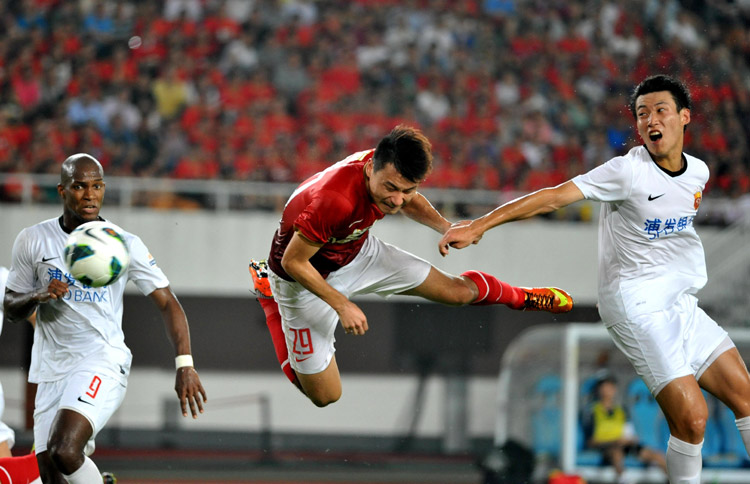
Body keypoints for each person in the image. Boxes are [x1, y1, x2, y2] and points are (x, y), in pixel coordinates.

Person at [438, 75, 750, 484]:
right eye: (642, 114)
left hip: (680, 304)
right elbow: (552, 195)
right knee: (693, 418)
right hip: (635, 306)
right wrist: (480, 225)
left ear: (684, 117)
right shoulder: (626, 172)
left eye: (660, 110)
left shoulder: (699, 173)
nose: (650, 120)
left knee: (744, 394)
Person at [250, 124, 573, 408]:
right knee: (325, 396)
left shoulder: (388, 170)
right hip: (301, 278)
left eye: (408, 190)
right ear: (369, 169)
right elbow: (294, 261)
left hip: (357, 252)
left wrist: (445, 226)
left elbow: (409, 199)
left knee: (456, 292)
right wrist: (341, 304)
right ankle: (269, 299)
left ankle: (524, 297)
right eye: (390, 188)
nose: (397, 200)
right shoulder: (335, 199)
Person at [3, 153, 207, 484]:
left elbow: (168, 302)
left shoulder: (123, 243)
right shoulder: (33, 239)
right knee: (53, 473)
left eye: (97, 186)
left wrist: (185, 363)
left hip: (101, 360)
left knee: (64, 449)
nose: (90, 195)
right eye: (80, 186)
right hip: (51, 369)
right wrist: (37, 296)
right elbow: (11, 308)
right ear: (62, 190)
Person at [582, 374, 667, 484]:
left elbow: (628, 432)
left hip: (624, 445)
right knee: (616, 453)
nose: (607, 390)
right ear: (598, 390)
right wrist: (613, 441)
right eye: (604, 387)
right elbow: (590, 441)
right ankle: (623, 478)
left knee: (655, 455)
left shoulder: (621, 411)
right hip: (606, 446)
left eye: (610, 387)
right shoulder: (592, 412)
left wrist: (630, 439)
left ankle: (673, 479)